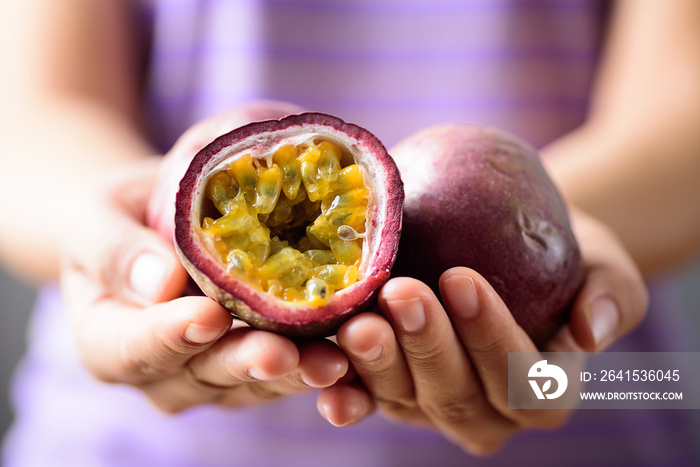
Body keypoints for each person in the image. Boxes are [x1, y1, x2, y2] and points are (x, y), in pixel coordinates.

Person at [1, 0, 699, 465]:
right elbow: (28, 116)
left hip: (588, 388)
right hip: (125, 435)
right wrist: (114, 248)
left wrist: (544, 222)